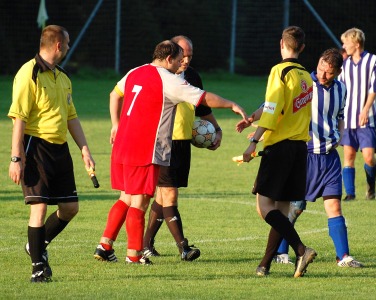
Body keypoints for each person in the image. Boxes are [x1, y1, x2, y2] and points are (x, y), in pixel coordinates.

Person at [93, 40, 247, 265]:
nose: (180, 65)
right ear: (168, 59)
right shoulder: (168, 80)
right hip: (145, 148)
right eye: (178, 60)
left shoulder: (135, 71)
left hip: (122, 145)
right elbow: (203, 98)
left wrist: (115, 124)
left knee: (126, 196)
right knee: (141, 201)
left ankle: (105, 246)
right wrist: (232, 104)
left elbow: (114, 94)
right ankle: (134, 255)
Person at [8, 25, 96, 283]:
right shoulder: (28, 74)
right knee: (39, 207)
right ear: (58, 45)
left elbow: (71, 116)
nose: (68, 48)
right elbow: (19, 118)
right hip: (35, 147)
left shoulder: (63, 76)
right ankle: (37, 267)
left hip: (60, 149)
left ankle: (36, 244)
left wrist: (84, 149)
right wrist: (16, 158)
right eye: (67, 44)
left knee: (70, 208)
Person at [236, 26, 317, 278]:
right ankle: (265, 265)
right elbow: (280, 106)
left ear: (281, 43)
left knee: (264, 207)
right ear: (302, 47)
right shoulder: (306, 76)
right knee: (282, 211)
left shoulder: (279, 71)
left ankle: (301, 249)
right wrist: (254, 117)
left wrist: (254, 142)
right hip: (299, 148)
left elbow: (272, 108)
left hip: (279, 147)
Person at [272, 48, 363, 268]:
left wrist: (340, 134)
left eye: (329, 72)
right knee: (295, 207)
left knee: (334, 207)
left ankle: (343, 257)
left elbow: (340, 115)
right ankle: (281, 252)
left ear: (338, 73)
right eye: (322, 67)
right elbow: (279, 107)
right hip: (305, 156)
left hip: (330, 158)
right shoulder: (304, 85)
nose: (323, 74)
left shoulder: (341, 89)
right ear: (319, 62)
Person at [142, 35, 222, 261]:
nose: (186, 60)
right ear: (172, 54)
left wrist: (216, 129)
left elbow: (202, 107)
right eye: (182, 55)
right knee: (169, 194)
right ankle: (183, 247)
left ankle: (145, 243)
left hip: (183, 142)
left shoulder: (193, 75)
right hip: (162, 141)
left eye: (190, 55)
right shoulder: (161, 77)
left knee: (163, 194)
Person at [338, 28, 376, 201]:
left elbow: (375, 89)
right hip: (348, 118)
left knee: (369, 157)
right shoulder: (344, 64)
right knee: (348, 155)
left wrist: (364, 110)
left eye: (346, 42)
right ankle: (350, 194)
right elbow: (340, 89)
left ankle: (371, 187)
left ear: (356, 44)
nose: (343, 45)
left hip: (368, 117)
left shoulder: (373, 61)